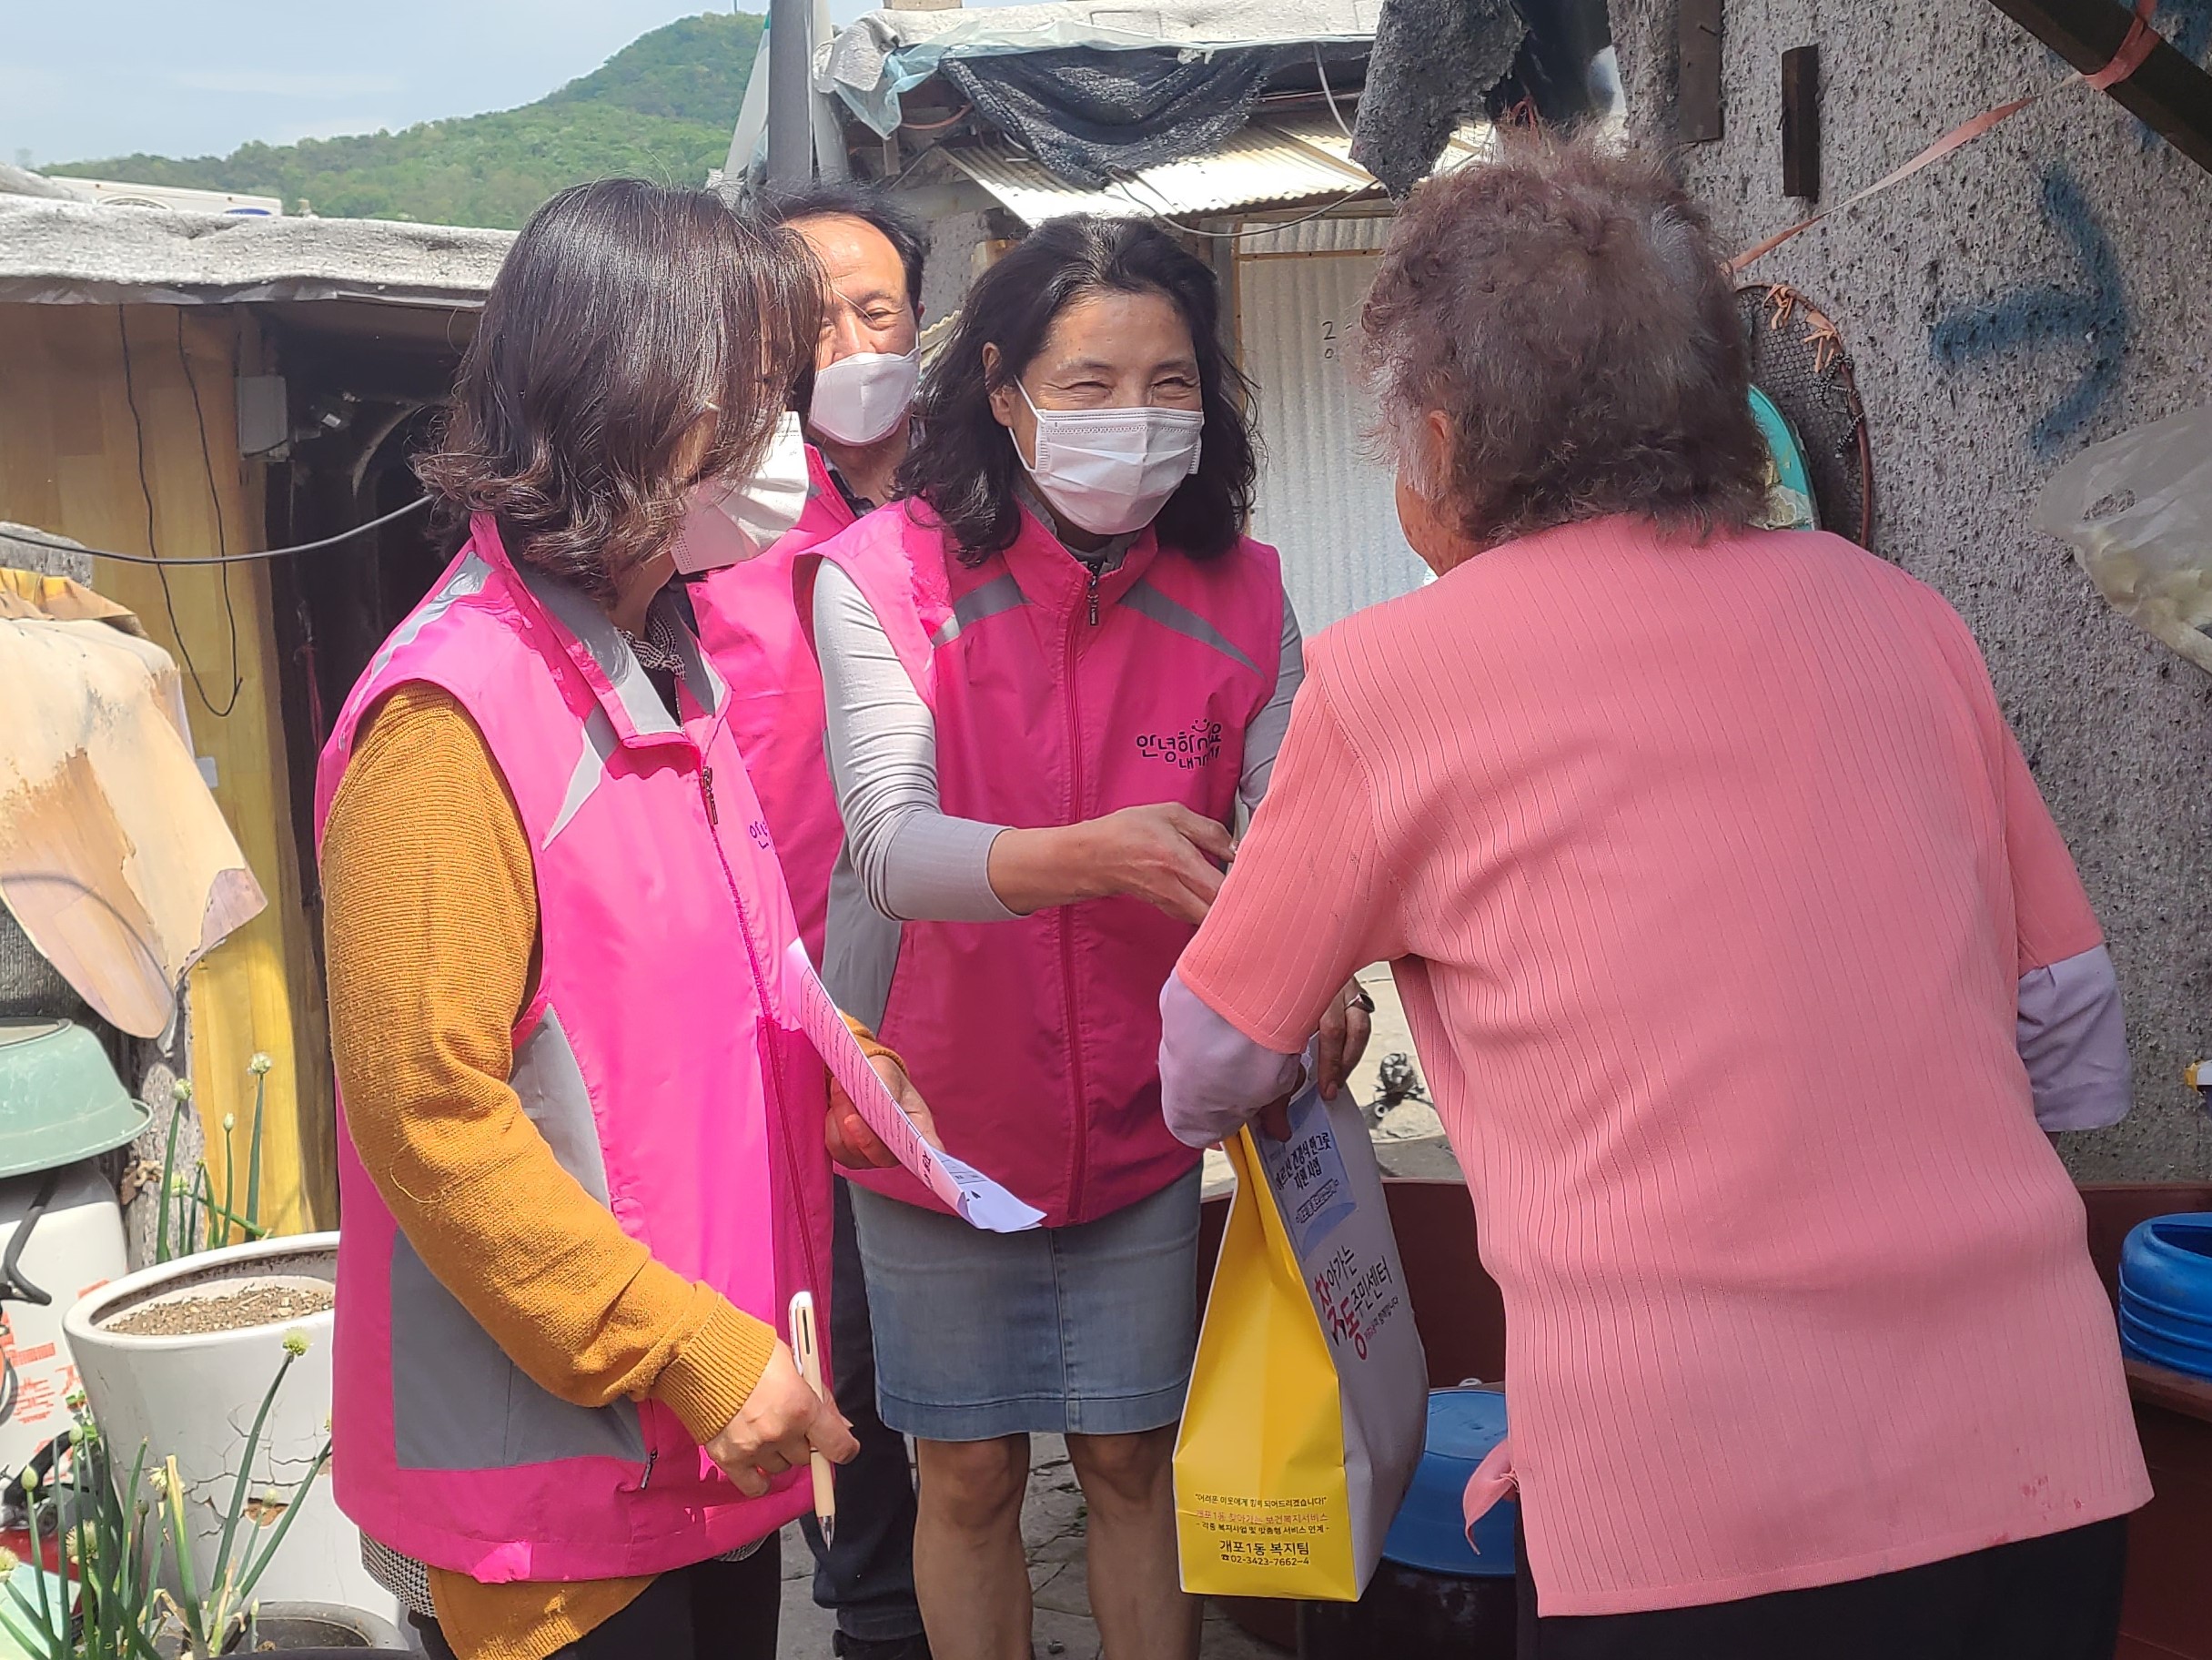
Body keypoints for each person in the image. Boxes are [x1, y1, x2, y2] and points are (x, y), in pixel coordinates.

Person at [1157, 138, 2150, 1660]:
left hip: (1684, 1492)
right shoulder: (1907, 622)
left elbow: (1209, 1064)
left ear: (1440, 435)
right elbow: (2076, 1046)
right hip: (2037, 1452)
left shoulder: (1391, 682)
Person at [318, 180, 927, 1660]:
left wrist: (834, 1063)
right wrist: (690, 1352)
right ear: (631, 404)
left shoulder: (661, 658)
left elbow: (688, 984)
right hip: (566, 1476)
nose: (784, 444)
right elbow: (429, 1110)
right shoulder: (451, 712)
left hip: (698, 1442)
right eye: (752, 401)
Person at [804, 214, 1369, 1660]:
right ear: (1003, 392)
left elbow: (1297, 836)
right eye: (1093, 382)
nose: (1136, 417)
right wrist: (1098, 855)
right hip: (935, 1116)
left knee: (1132, 1460)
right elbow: (889, 843)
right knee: (970, 1473)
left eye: (1171, 383)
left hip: (1135, 1119)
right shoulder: (882, 578)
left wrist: (1320, 975)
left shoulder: (1246, 594)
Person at [685, 181, 934, 1660]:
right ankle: (878, 1617)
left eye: (875, 307)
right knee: (842, 1343)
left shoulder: (993, 492)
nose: (847, 339)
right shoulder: (730, 522)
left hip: (973, 994)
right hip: (796, 1018)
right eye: (810, 316)